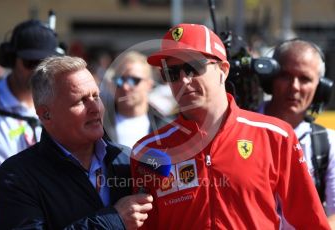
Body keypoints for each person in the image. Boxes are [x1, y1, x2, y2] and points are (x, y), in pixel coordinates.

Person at [130, 23, 330, 229]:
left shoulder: (276, 135)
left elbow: (311, 223)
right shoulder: (147, 151)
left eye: (193, 67)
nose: (184, 80)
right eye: (172, 72)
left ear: (223, 70)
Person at [0, 55, 153, 229]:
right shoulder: (16, 177)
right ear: (46, 114)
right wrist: (113, 220)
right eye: (81, 101)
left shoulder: (126, 159)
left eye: (96, 96)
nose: (95, 108)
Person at [259, 39, 335, 228]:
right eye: (285, 76)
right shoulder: (238, 131)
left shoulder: (329, 143)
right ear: (269, 80)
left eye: (305, 79)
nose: (294, 86)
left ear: (321, 88)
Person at [0, 19, 59, 200]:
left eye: (46, 63)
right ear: (11, 59)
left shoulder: (60, 105)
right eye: (31, 62)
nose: (38, 71)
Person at [102, 51, 170, 148]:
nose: (125, 87)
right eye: (119, 80)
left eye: (134, 80)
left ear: (149, 84)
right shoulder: (99, 124)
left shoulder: (166, 127)